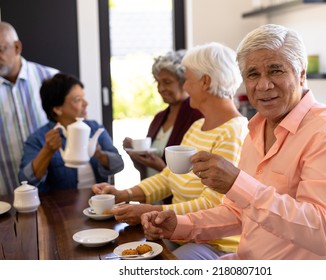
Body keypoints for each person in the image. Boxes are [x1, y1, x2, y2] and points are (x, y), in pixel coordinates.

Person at [141, 24, 326, 260]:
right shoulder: (256, 128)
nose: (263, 85)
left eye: (276, 71)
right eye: (253, 74)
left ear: (302, 73)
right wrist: (180, 225)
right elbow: (238, 211)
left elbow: (324, 233)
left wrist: (236, 183)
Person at [92, 42, 248, 259]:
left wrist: (148, 211)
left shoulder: (233, 132)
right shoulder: (196, 127)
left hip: (215, 244)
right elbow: (168, 177)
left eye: (188, 78)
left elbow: (213, 203)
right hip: (179, 232)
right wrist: (124, 194)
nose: (185, 87)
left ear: (205, 81)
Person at [18, 73, 124, 192]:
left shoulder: (94, 128)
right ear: (57, 109)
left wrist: (99, 155)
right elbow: (26, 181)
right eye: (78, 100)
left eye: (83, 97)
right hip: (60, 207)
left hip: (98, 203)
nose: (86, 103)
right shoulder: (39, 139)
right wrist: (47, 151)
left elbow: (119, 164)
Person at [123, 50, 203, 180]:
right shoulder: (159, 118)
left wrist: (162, 168)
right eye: (158, 82)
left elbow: (194, 175)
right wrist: (135, 153)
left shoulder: (197, 117)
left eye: (167, 82)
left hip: (175, 198)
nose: (160, 88)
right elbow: (147, 163)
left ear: (184, 82)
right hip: (152, 195)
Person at [0, 21, 58, 195]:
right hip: (5, 194)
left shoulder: (51, 79)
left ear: (17, 47)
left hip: (53, 194)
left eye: (0, 49)